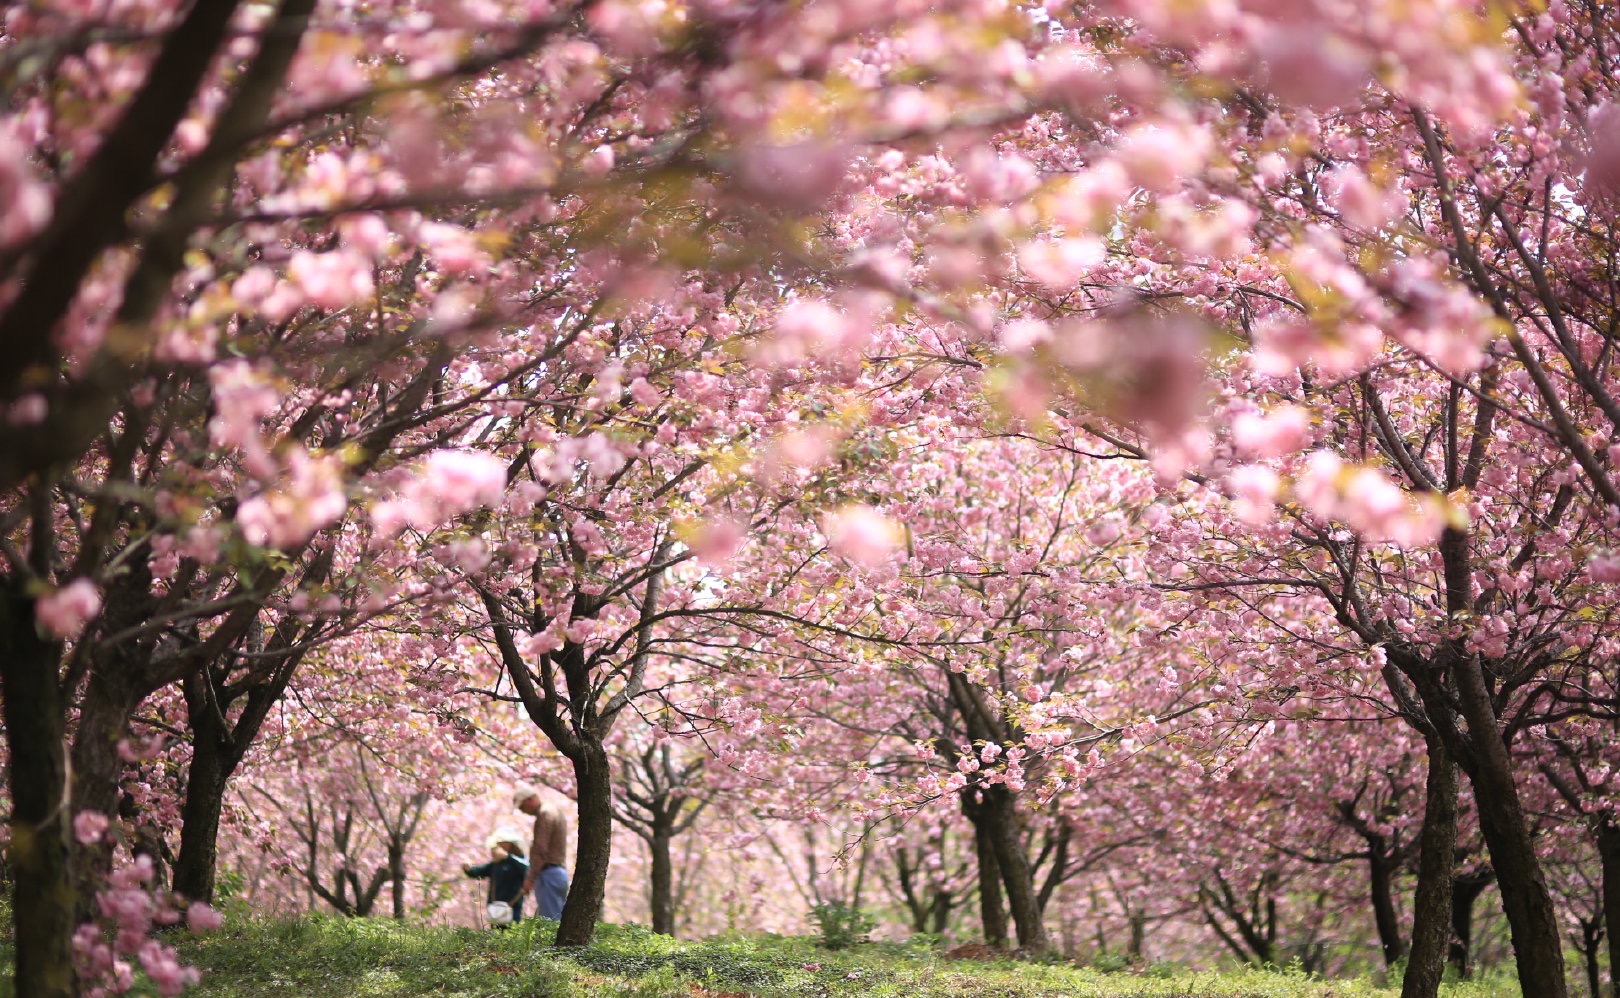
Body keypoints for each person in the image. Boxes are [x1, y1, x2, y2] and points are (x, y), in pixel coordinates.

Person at [513, 785, 569, 921]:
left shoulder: (545, 814)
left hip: (548, 872)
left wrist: (530, 878)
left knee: (550, 921)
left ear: (530, 799)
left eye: (522, 807)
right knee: (557, 915)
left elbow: (540, 848)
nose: (523, 812)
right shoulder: (554, 811)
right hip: (559, 872)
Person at [463, 838, 529, 925]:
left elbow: (527, 870)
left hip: (513, 906)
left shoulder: (519, 859)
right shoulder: (496, 863)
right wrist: (468, 869)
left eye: (502, 843)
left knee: (512, 931)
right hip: (495, 907)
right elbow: (479, 872)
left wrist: (508, 857)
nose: (499, 846)